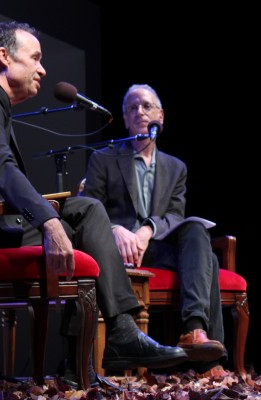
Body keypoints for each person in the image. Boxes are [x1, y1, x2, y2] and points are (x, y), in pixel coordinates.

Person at [0, 21, 189, 385]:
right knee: (74, 224)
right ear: (4, 57)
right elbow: (0, 167)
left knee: (86, 210)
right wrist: (47, 221)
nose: (43, 70)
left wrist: (50, 213)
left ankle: (107, 343)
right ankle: (98, 349)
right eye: (35, 58)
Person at [80, 84, 227, 378]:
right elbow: (87, 207)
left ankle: (195, 330)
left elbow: (175, 215)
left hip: (155, 248)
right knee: (209, 261)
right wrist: (115, 229)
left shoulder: (176, 168)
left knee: (196, 230)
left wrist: (147, 230)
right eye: (132, 108)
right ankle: (207, 359)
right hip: (116, 252)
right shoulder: (104, 158)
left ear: (161, 115)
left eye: (146, 106)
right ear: (125, 119)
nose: (139, 112)